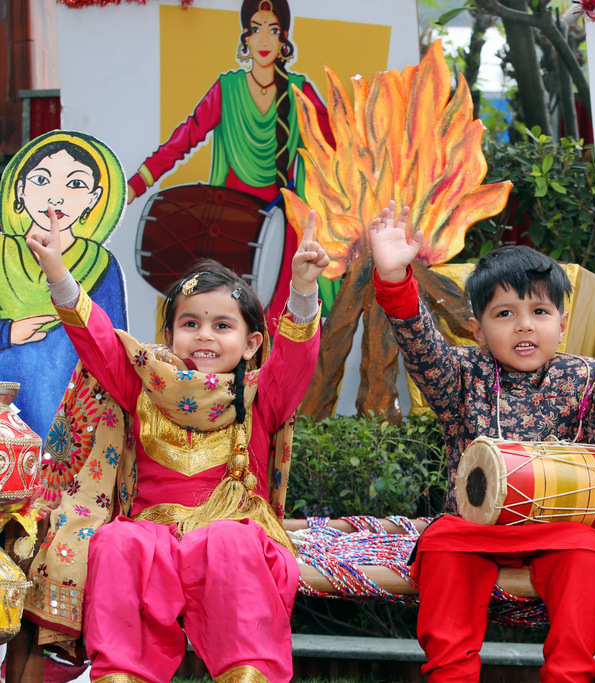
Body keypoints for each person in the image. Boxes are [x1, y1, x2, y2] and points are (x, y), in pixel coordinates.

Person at [368, 200, 595, 682]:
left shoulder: (585, 380)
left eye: (539, 311)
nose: (524, 324)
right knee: (441, 544)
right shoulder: (459, 375)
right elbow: (419, 342)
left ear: (562, 322)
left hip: (559, 533)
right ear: (477, 330)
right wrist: (395, 281)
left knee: (588, 551)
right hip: (473, 533)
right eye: (504, 313)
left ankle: (568, 676)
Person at [23, 206, 328, 682]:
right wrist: (58, 273)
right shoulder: (142, 386)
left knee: (227, 540)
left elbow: (296, 362)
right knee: (117, 541)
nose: (204, 336)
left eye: (222, 326)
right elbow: (99, 341)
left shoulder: (260, 396)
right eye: (190, 324)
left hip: (231, 535)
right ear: (168, 336)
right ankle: (121, 673)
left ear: (251, 345)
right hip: (151, 536)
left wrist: (304, 290)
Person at [126, 0, 338, 319]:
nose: (264, 40)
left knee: (280, 324)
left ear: (284, 39)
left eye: (273, 30)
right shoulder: (228, 88)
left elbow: (333, 150)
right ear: (245, 38)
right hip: (229, 223)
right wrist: (134, 186)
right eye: (255, 29)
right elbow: (184, 139)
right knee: (224, 319)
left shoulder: (299, 91)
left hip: (283, 227)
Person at [0, 131, 127, 437]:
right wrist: (8, 333)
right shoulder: (2, 254)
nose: (55, 196)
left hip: (77, 420)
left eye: (75, 184)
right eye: (41, 180)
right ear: (20, 190)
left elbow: (116, 352)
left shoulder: (100, 265)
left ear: (93, 199)